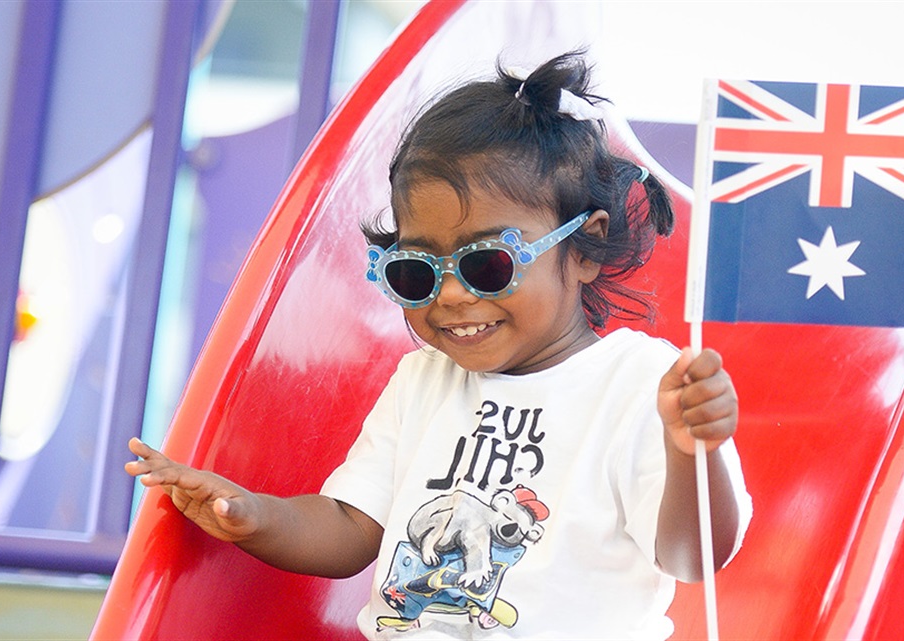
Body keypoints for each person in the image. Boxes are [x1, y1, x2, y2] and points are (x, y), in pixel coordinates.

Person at [126, 50, 751, 640]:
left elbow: (691, 557)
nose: (449, 295)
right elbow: (349, 528)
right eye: (416, 272)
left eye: (487, 265)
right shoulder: (422, 380)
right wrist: (253, 516)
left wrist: (692, 452)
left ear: (583, 247)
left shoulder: (643, 382)